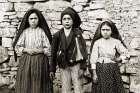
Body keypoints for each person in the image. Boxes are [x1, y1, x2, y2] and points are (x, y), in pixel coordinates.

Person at [13, 8, 53, 93]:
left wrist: (40, 50)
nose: (33, 21)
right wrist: (26, 50)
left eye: (35, 18)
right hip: (27, 61)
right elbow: (17, 46)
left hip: (40, 61)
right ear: (28, 20)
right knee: (26, 82)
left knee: (38, 83)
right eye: (31, 19)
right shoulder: (25, 32)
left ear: (39, 20)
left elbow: (49, 48)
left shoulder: (42, 32)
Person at [50, 7, 88, 93]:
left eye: (69, 19)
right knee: (65, 88)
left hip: (76, 64)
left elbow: (83, 50)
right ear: (61, 21)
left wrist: (83, 66)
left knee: (78, 87)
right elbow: (53, 52)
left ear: (73, 21)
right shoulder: (57, 35)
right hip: (63, 65)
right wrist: (52, 68)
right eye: (64, 19)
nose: (67, 21)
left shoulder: (78, 33)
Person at [90, 19, 129, 93]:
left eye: (107, 30)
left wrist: (119, 59)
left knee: (113, 89)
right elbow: (93, 59)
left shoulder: (116, 42)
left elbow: (126, 54)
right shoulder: (97, 43)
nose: (105, 32)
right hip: (100, 69)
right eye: (103, 30)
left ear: (111, 31)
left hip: (113, 69)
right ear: (100, 31)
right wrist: (94, 74)